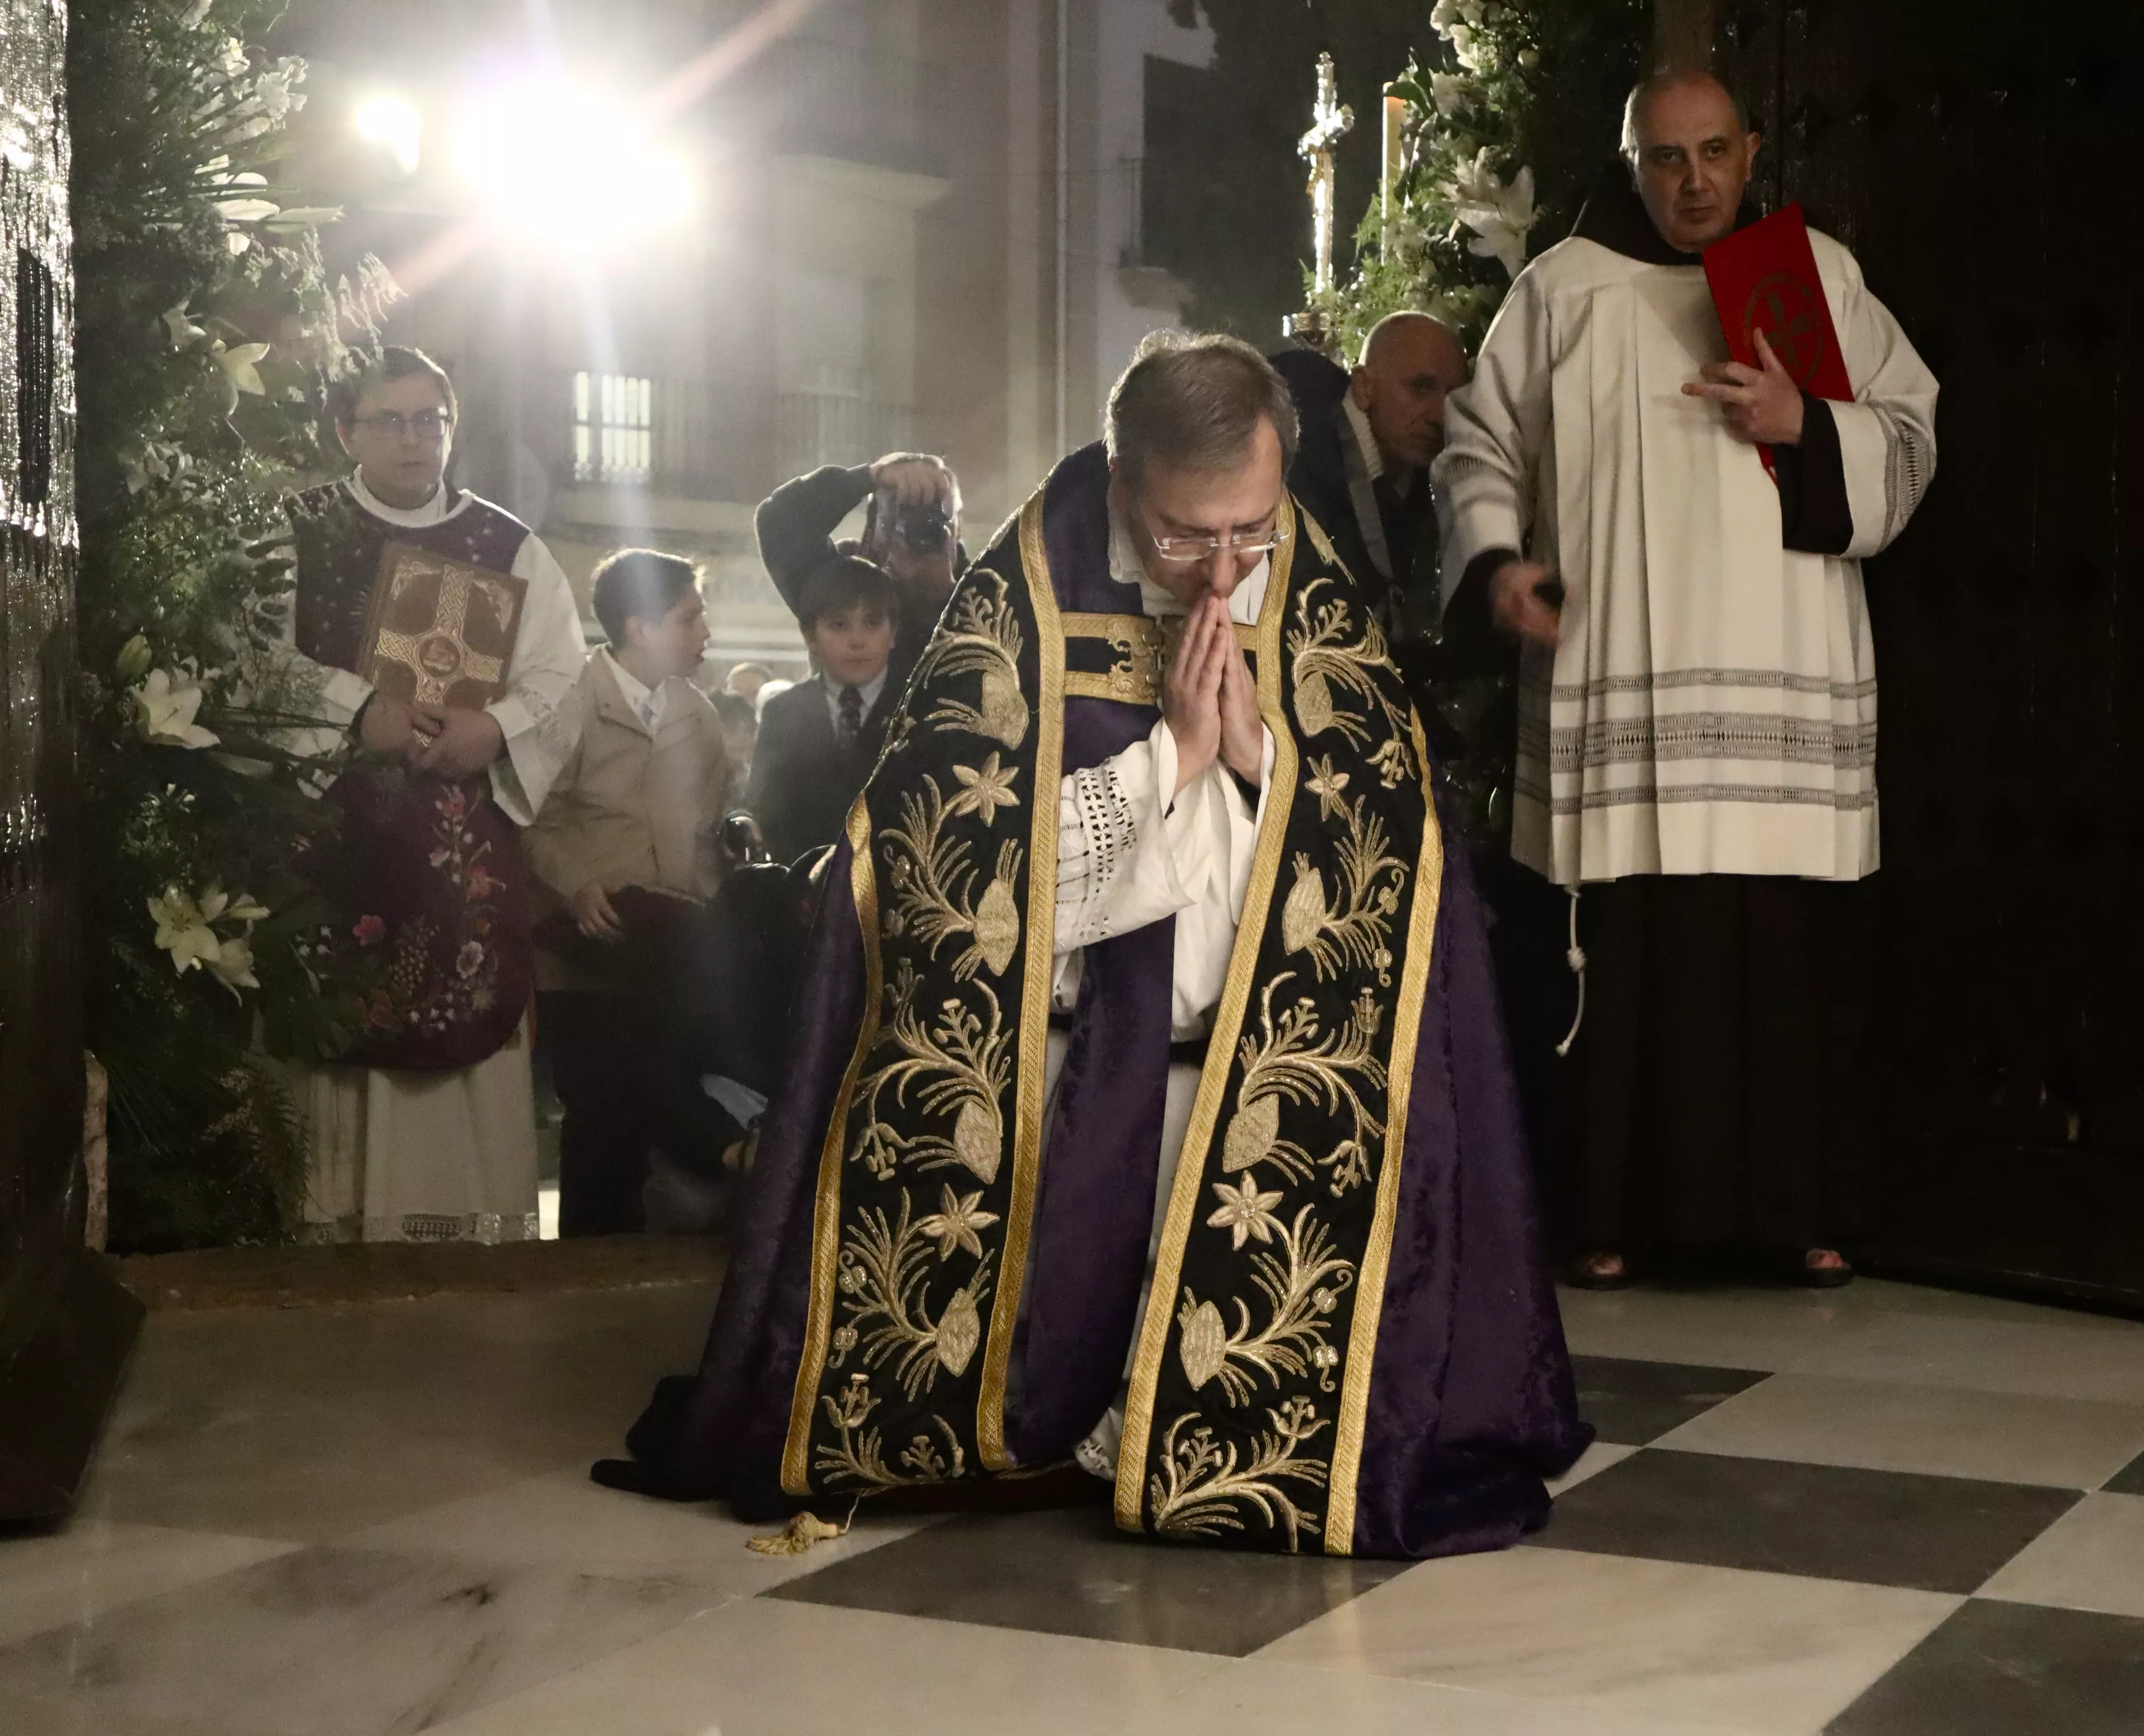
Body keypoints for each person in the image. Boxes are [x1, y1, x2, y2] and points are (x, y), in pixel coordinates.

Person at [595, 330, 1588, 1559]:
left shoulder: (1305, 577)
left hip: (1242, 1087)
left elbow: (1398, 834)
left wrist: (1257, 763)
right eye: (1185, 537)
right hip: (1057, 1098)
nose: (1222, 574)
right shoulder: (1022, 592)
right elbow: (932, 870)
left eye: (1250, 533)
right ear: (1123, 486)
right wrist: (1163, 758)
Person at [1435, 70, 1939, 1290]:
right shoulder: (1557, 291)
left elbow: (1914, 430)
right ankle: (1608, 1214)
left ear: (1750, 149)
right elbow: (1475, 445)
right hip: (1622, 687)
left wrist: (1806, 425)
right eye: (1666, 158)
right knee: (1631, 952)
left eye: (1714, 153)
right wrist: (1497, 562)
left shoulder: (1813, 275)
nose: (1694, 180)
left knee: (1782, 956)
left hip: (1781, 679)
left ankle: (1801, 1211)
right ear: (1630, 161)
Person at [274, 345, 588, 1243]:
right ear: (346, 432)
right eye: (390, 420)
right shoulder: (297, 530)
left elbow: (563, 678)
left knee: (459, 1039)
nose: (414, 440)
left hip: (459, 861)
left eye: (430, 420)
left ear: (451, 429)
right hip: (326, 843)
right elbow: (246, 660)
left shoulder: (509, 544)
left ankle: (462, 1245)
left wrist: (495, 731)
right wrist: (356, 710)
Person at [524, 550, 732, 1235]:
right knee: (598, 1118)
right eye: (689, 617)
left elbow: (709, 832)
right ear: (639, 627)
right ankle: (583, 1280)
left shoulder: (699, 719)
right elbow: (529, 817)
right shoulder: (569, 703)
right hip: (582, 958)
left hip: (666, 954)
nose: (705, 632)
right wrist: (574, 885)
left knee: (651, 1117)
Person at [1274, 312, 1469, 634]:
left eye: (1455, 397)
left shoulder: (1419, 475)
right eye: (1420, 388)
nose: (1441, 415)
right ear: (1364, 387)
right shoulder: (1296, 459)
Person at [743, 555, 902, 862]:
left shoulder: (919, 706)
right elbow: (761, 807)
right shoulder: (783, 711)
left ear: (893, 633)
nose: (857, 640)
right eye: (839, 625)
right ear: (810, 637)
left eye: (872, 623)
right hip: (805, 887)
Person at [755, 451, 965, 676]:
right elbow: (777, 521)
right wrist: (868, 477)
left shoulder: (987, 594)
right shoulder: (843, 583)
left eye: (935, 516)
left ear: (957, 529)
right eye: (901, 513)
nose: (917, 529)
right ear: (871, 525)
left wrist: (945, 598)